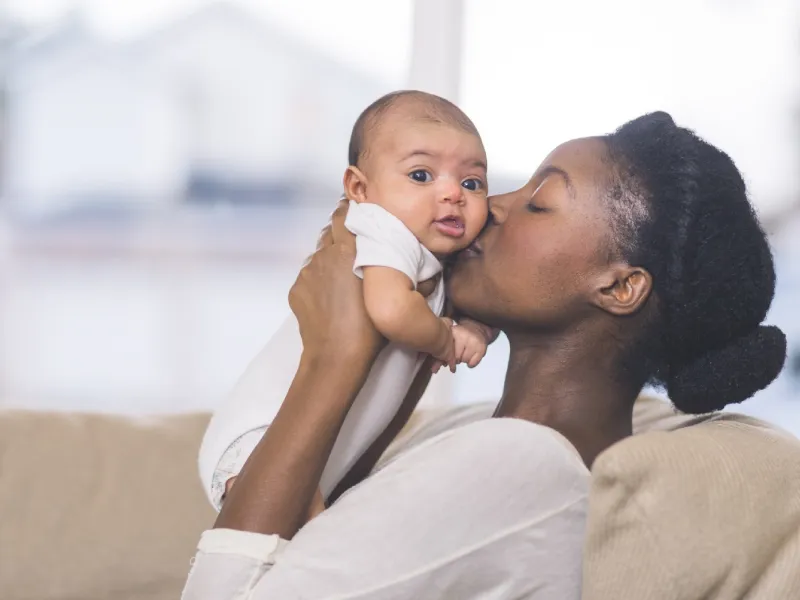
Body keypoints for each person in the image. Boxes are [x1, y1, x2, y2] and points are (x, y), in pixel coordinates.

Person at [182, 112, 787, 599]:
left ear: (618, 287)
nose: (489, 204)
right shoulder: (487, 433)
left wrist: (332, 357)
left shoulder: (520, 462)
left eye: (538, 202)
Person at [198, 90, 497, 515]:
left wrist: (479, 329)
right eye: (420, 175)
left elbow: (478, 306)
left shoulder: (435, 257)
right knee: (308, 553)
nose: (453, 193)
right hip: (260, 437)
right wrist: (448, 341)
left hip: (320, 450)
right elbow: (393, 310)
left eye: (472, 182)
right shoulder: (381, 228)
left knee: (307, 554)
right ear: (359, 188)